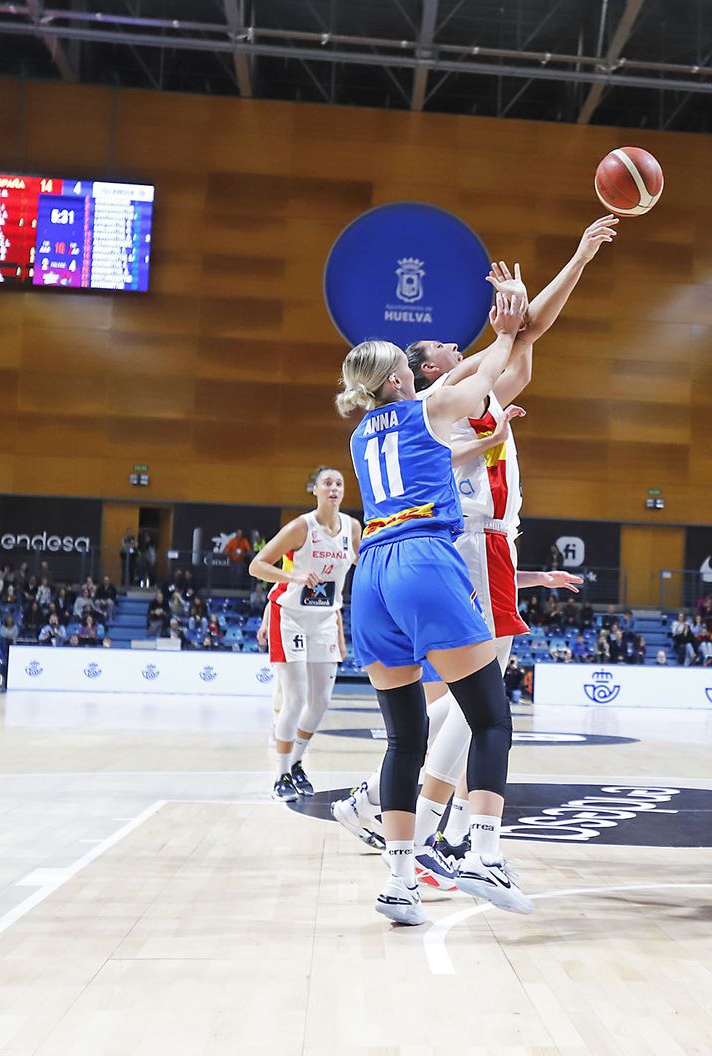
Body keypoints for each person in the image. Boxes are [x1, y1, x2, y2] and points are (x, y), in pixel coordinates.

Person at [331, 221, 611, 887]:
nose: (461, 346)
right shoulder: (436, 403)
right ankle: (436, 828)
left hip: (442, 552)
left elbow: (522, 354)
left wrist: (521, 315)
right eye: (446, 349)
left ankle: (420, 822)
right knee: (483, 699)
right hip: (456, 544)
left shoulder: (433, 410)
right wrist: (573, 261)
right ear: (422, 371)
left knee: (457, 698)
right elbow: (519, 339)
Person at [335, 285, 536, 925]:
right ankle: (483, 852)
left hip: (370, 574)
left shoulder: (363, 434)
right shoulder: (428, 407)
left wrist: (491, 428)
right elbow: (483, 379)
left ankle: (399, 882)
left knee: (405, 738)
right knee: (490, 718)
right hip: (422, 559)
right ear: (401, 376)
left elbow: (447, 451)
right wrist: (504, 332)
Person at [248, 467, 361, 802]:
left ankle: (298, 763)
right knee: (295, 699)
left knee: (321, 701)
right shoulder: (301, 527)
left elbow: (361, 563)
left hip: (325, 619)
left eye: (339, 483)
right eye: (327, 483)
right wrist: (295, 576)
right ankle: (281, 772)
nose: (334, 488)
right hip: (292, 618)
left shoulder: (352, 528)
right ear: (314, 489)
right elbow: (258, 565)